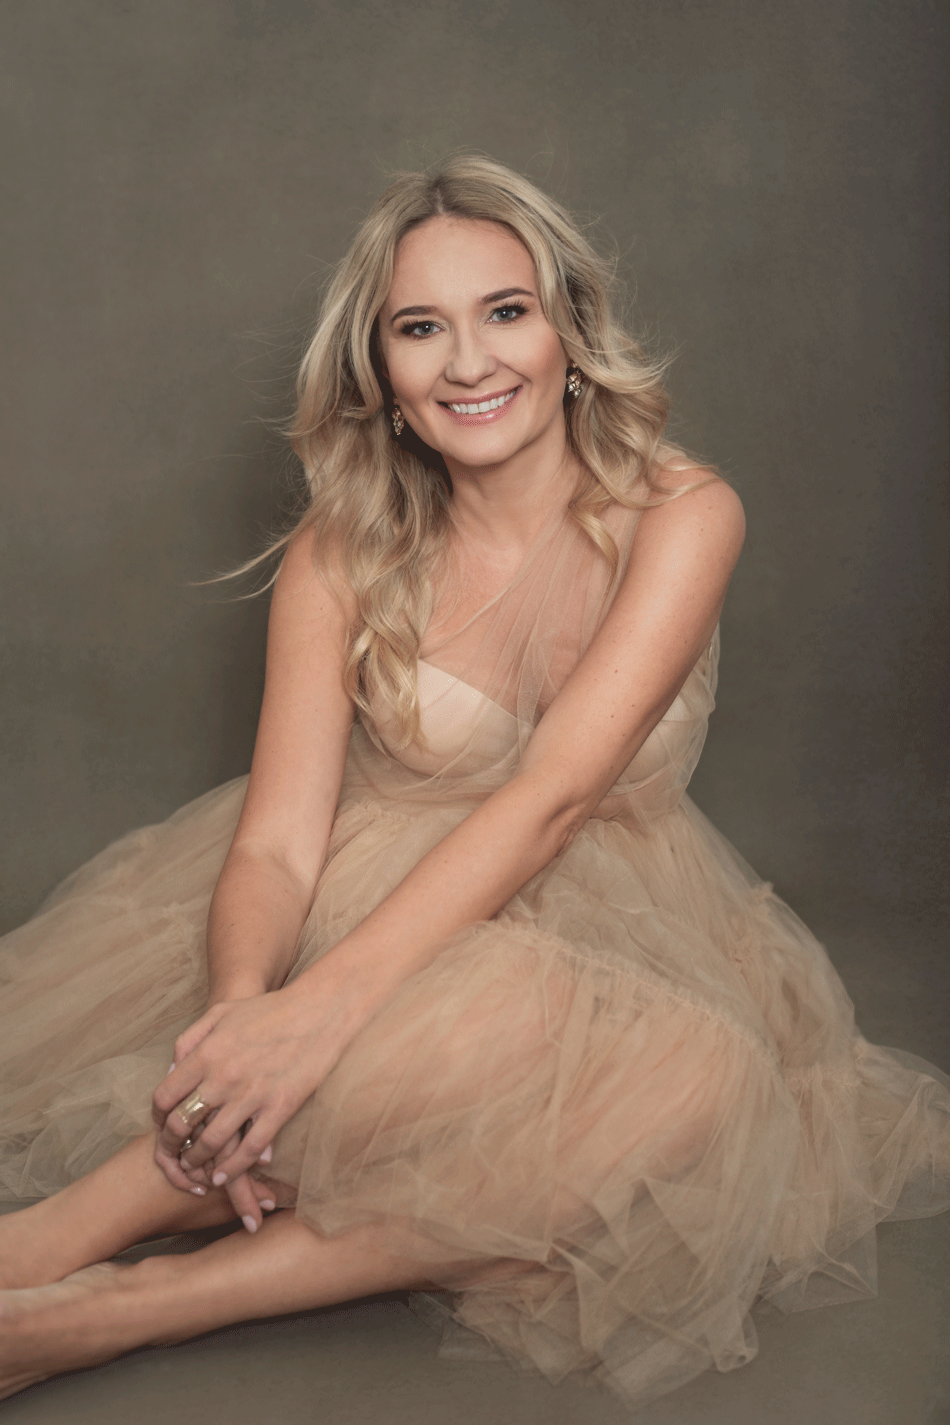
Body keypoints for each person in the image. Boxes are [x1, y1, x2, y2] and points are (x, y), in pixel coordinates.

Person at [0, 154, 947, 1411]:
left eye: (505, 311)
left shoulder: (682, 512)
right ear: (380, 373)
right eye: (419, 328)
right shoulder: (340, 551)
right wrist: (245, 1019)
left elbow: (548, 801)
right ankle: (49, 1244)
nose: (468, 362)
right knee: (502, 1073)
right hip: (369, 899)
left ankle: (119, 1309)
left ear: (567, 333)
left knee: (695, 1089)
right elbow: (277, 846)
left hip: (617, 912)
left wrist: (320, 1019)